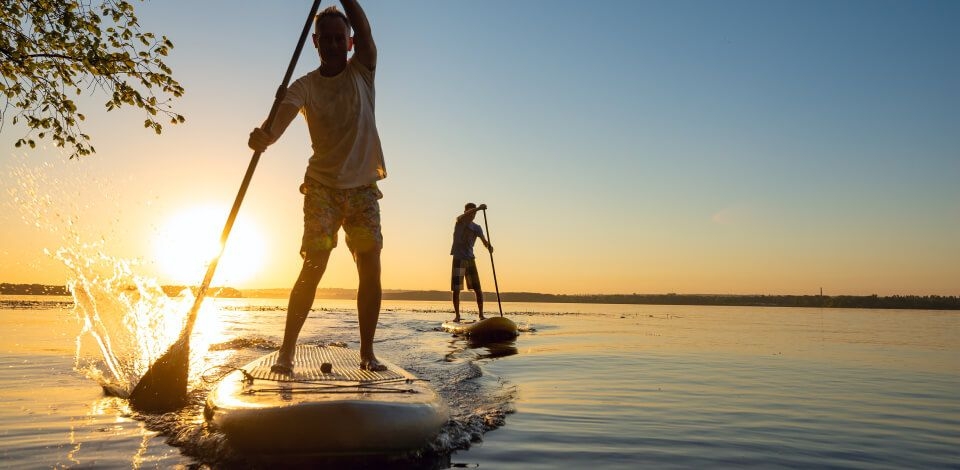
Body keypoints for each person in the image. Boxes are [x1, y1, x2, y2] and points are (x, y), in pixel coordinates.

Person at [248, 0, 387, 373]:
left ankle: (367, 353)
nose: (331, 44)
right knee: (314, 264)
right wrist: (263, 136)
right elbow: (277, 123)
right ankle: (287, 352)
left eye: (338, 38)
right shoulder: (305, 86)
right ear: (314, 42)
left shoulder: (363, 70)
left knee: (369, 266)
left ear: (350, 42)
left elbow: (365, 27)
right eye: (325, 39)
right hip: (322, 187)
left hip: (362, 189)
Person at [450, 203, 493, 322]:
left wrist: (489, 246)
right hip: (458, 258)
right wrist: (478, 208)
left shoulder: (477, 227)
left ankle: (481, 315)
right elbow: (461, 216)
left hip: (470, 259)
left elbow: (484, 241)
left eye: (474, 213)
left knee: (478, 288)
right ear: (465, 212)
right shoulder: (460, 222)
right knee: (457, 289)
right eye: (470, 212)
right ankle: (457, 316)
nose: (472, 215)